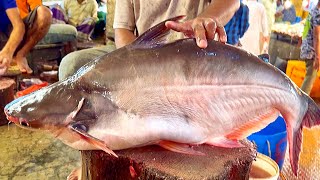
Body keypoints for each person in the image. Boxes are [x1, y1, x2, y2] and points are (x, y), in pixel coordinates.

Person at [59, 0, 240, 80]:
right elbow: (123, 31)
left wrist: (206, 19)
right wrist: (140, 64)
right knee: (72, 65)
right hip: (141, 54)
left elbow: (231, 1)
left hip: (193, 56)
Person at [0, 0, 52, 75]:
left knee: (44, 13)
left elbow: (19, 26)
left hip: (11, 34)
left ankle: (21, 55)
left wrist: (7, 51)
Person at [300, 1, 320, 95]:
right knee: (309, 80)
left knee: (309, 78)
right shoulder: (318, 13)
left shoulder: (313, 11)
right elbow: (317, 36)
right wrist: (317, 56)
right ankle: (301, 106)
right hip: (311, 52)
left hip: (307, 49)